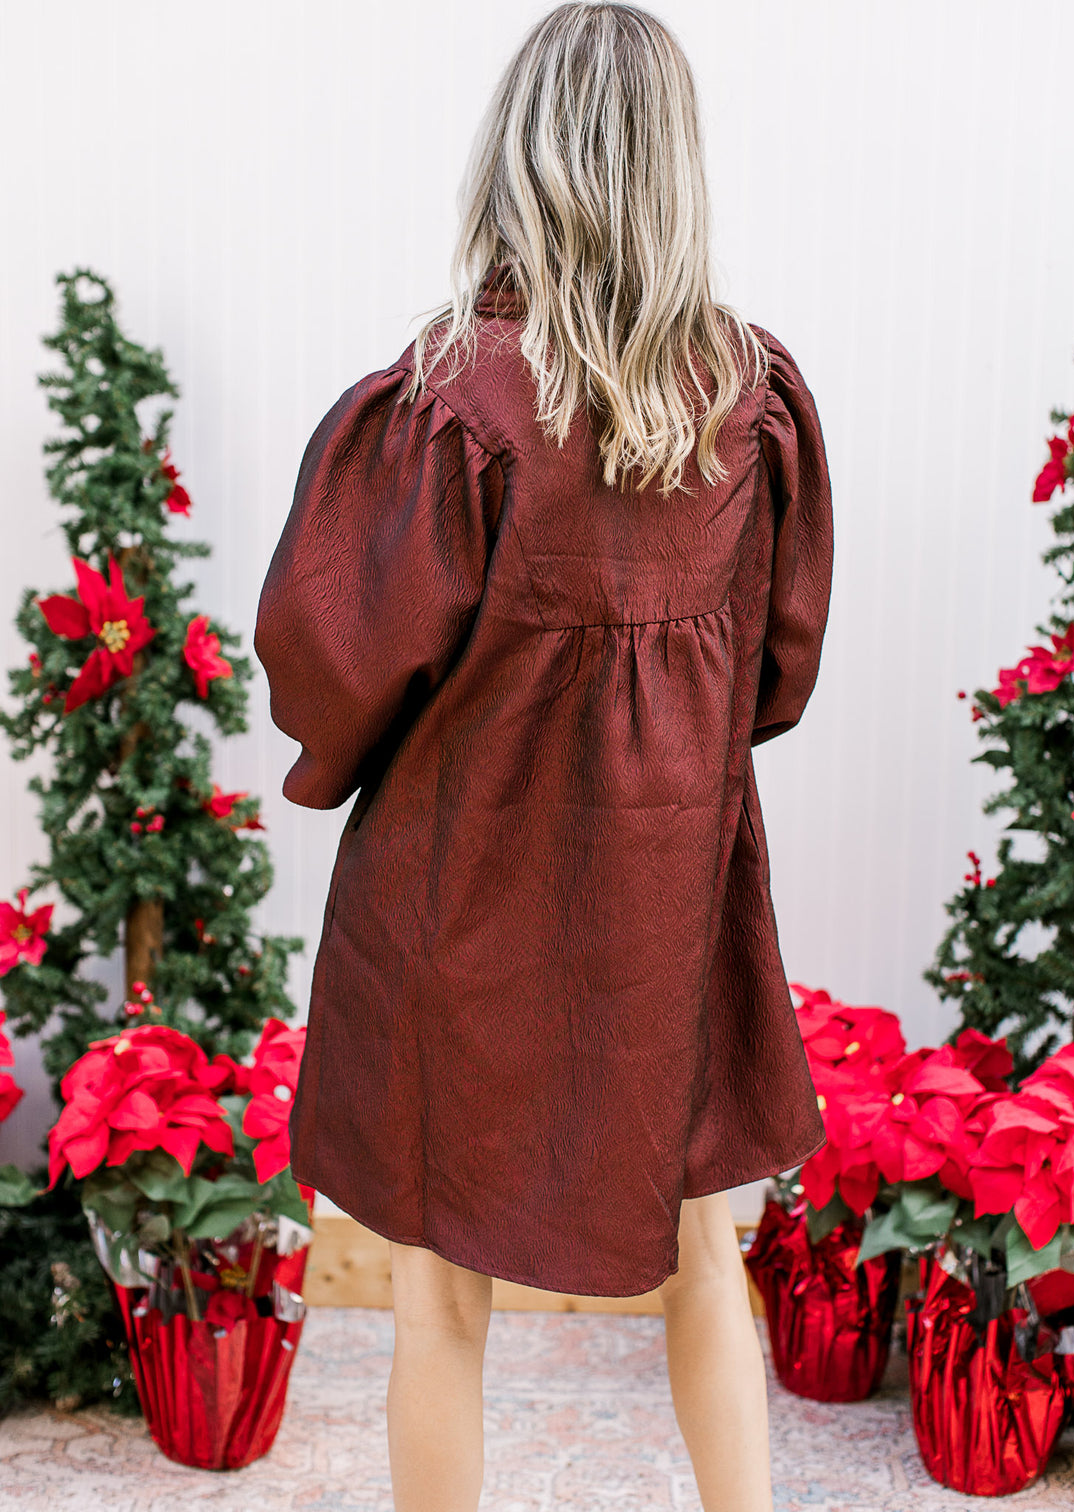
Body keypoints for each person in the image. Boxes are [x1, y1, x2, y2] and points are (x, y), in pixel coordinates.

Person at [254, 3, 833, 1508]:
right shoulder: (749, 397)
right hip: (669, 908)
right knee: (707, 1256)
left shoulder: (457, 395)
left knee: (440, 1297)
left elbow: (335, 667)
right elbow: (776, 671)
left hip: (462, 906)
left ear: (519, 159)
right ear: (672, 168)